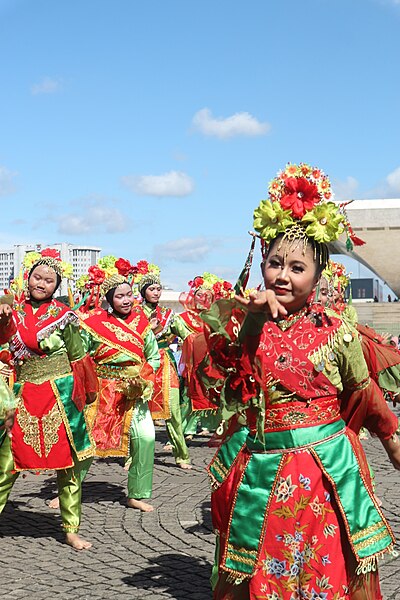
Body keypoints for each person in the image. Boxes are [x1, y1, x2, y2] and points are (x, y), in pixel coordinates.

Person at [198, 163, 399, 599]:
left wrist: (392, 439)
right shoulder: (243, 324)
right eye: (274, 264)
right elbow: (223, 385)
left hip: (323, 471)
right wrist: (248, 322)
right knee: (261, 571)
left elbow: (365, 396)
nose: (283, 276)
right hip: (261, 471)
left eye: (297, 267)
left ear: (318, 275)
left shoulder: (338, 332)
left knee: (323, 572)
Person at [0, 249, 98, 550]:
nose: (40, 283)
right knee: (7, 462)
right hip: (25, 392)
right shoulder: (11, 312)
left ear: (56, 287)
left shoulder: (64, 317)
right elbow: (5, 349)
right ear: (26, 277)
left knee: (68, 465)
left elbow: (79, 356)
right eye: (37, 277)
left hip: (61, 394)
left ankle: (70, 528)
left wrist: (84, 396)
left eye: (48, 280)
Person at [79, 256, 160, 512]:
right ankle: (69, 490)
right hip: (103, 389)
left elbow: (154, 356)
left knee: (146, 438)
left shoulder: (142, 323)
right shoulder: (93, 323)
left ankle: (137, 493)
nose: (126, 300)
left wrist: (143, 378)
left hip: (134, 389)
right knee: (87, 442)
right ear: (109, 299)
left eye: (129, 295)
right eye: (120, 296)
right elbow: (81, 357)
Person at [135, 262, 192, 469]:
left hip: (166, 366)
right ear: (143, 292)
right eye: (152, 289)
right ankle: (132, 456)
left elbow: (187, 336)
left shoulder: (169, 315)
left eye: (158, 289)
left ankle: (181, 455)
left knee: (174, 411)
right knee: (139, 413)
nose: (156, 292)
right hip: (143, 366)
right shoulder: (134, 314)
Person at [179, 273, 232, 439]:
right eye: (199, 295)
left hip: (212, 361)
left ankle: (213, 426)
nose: (203, 299)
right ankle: (186, 428)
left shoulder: (216, 318)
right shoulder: (182, 318)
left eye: (207, 296)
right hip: (193, 361)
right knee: (191, 392)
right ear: (193, 296)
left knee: (213, 392)